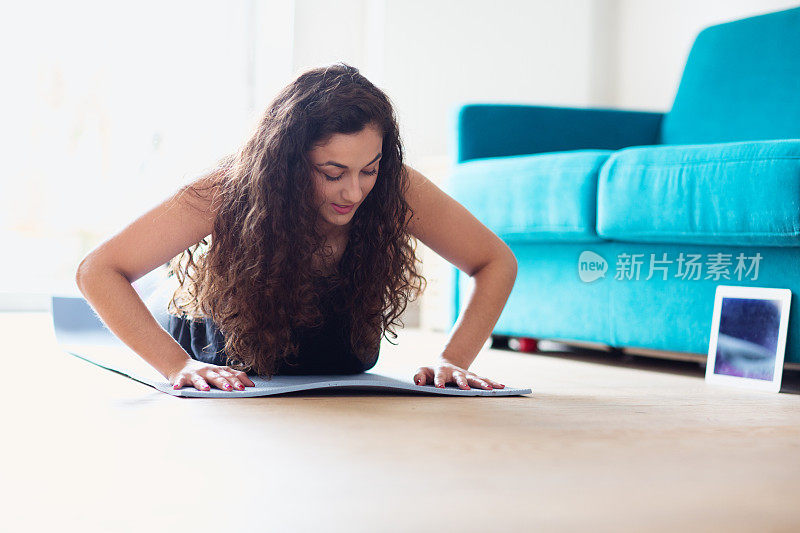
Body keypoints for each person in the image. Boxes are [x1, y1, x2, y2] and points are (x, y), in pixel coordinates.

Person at [75, 62, 517, 393]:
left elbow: (495, 260)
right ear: (286, 164)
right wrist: (176, 366)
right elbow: (98, 270)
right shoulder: (229, 188)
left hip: (337, 361)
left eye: (370, 169)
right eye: (332, 173)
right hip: (208, 342)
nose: (354, 193)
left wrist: (453, 359)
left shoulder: (394, 185)